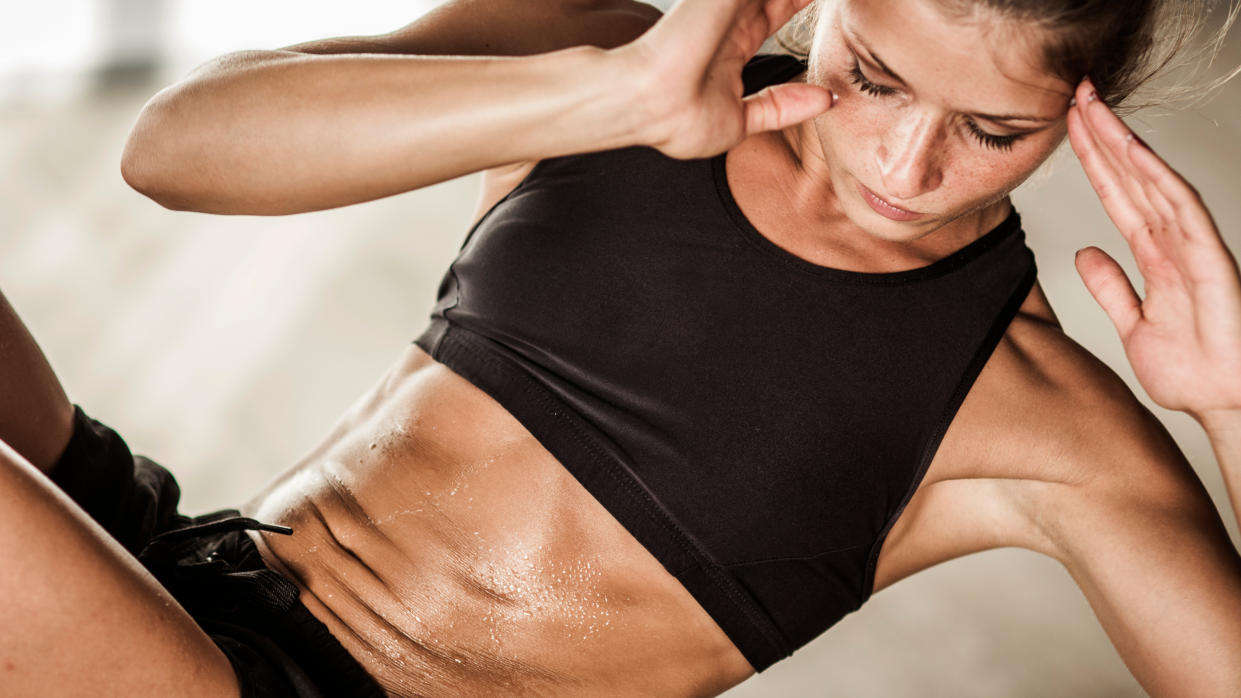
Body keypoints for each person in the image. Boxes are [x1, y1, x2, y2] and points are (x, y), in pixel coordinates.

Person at [3, 0, 1240, 695]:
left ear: (1087, 108)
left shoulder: (1036, 415)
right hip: (173, 570)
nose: (904, 167)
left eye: (990, 129)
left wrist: (1233, 408)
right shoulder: (616, 59)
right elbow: (170, 151)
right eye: (871, 76)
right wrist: (609, 95)